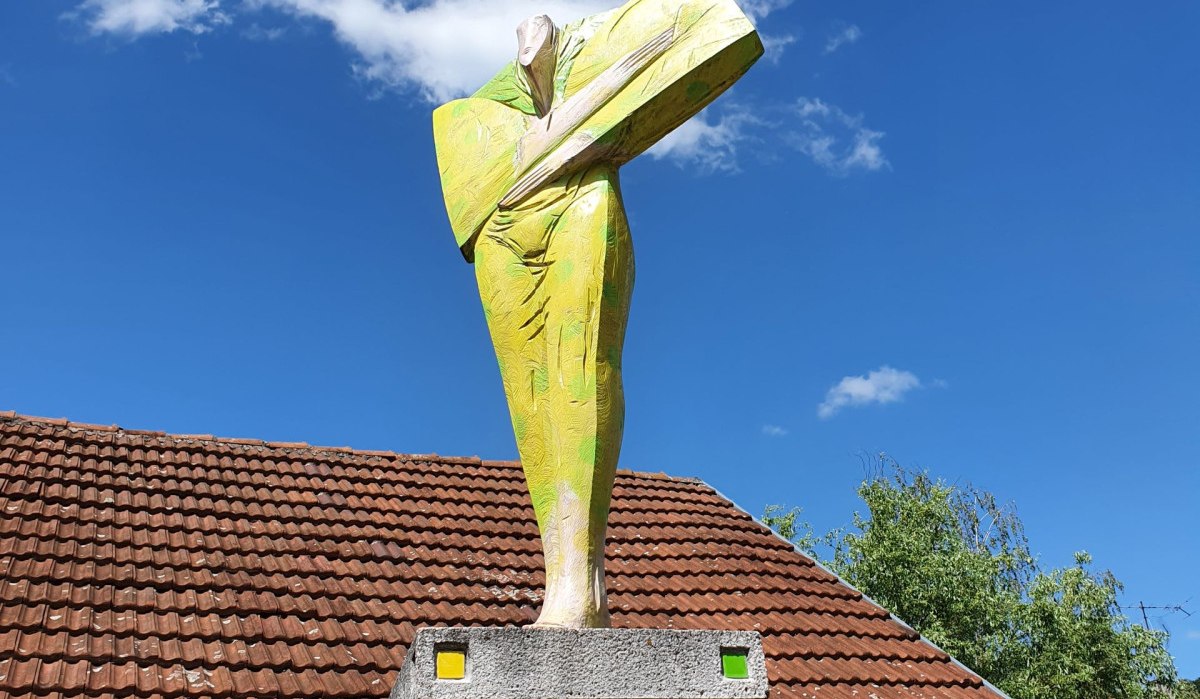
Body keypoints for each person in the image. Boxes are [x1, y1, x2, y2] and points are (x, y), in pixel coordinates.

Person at [432, 0, 761, 628]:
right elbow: (492, 126)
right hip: (500, 223)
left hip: (580, 193)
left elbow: (714, 28)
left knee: (581, 370)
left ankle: (578, 584)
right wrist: (535, 72)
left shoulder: (603, 39)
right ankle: (563, 575)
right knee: (529, 397)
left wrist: (564, 86)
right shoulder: (484, 105)